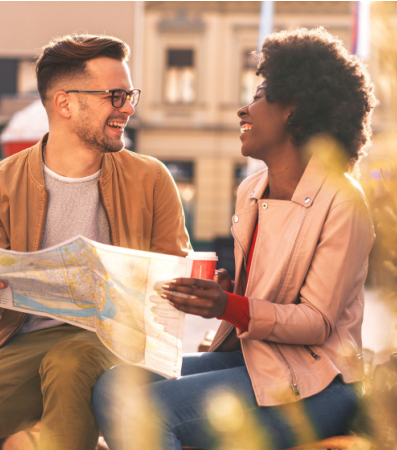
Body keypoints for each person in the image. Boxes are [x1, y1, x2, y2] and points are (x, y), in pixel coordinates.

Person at [92, 27, 377, 450]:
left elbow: (316, 322)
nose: (244, 109)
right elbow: (263, 300)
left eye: (259, 96)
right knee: (113, 385)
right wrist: (227, 294)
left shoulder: (343, 201)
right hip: (256, 362)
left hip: (321, 383)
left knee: (144, 409)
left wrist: (231, 305)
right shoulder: (251, 190)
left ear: (293, 111)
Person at [0, 33, 190, 450]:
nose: (129, 107)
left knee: (69, 360)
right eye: (115, 96)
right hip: (21, 341)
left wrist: (191, 285)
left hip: (117, 342)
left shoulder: (151, 179)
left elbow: (175, 282)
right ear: (64, 103)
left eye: (129, 94)